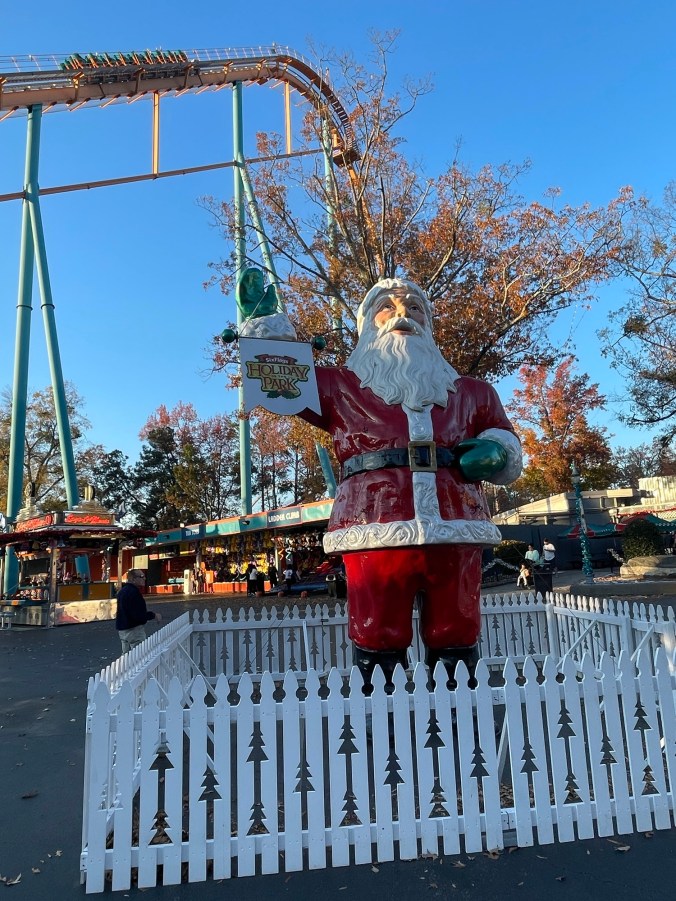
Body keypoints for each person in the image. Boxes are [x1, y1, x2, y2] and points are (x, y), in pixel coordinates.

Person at [238, 275, 522, 686]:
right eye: (387, 307)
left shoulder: (473, 393)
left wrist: (497, 450)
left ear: (430, 324)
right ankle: (382, 710)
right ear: (368, 324)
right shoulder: (338, 386)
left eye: (414, 307)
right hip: (373, 527)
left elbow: (504, 436)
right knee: (378, 629)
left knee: (457, 627)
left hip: (457, 524)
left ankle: (459, 707)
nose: (402, 314)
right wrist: (267, 334)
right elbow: (280, 381)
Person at [115, 569, 161, 653]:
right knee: (139, 657)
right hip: (134, 629)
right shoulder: (134, 593)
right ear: (133, 579)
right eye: (141, 577)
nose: (144, 579)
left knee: (127, 656)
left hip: (123, 629)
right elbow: (139, 615)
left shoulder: (122, 591)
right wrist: (153, 615)